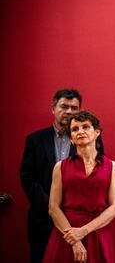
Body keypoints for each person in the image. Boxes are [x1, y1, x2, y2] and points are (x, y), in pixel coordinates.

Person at [43, 110, 115, 263]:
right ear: (71, 138)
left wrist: (83, 231)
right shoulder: (60, 167)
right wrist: (75, 240)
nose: (80, 131)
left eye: (85, 127)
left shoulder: (112, 166)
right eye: (75, 129)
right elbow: (53, 207)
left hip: (97, 234)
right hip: (66, 234)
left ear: (97, 132)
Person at [20, 89, 82, 263]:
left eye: (74, 108)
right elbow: (27, 178)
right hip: (43, 220)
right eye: (64, 106)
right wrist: (52, 207)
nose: (69, 111)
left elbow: (96, 177)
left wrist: (71, 209)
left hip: (77, 220)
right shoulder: (35, 140)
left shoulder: (88, 139)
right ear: (53, 108)